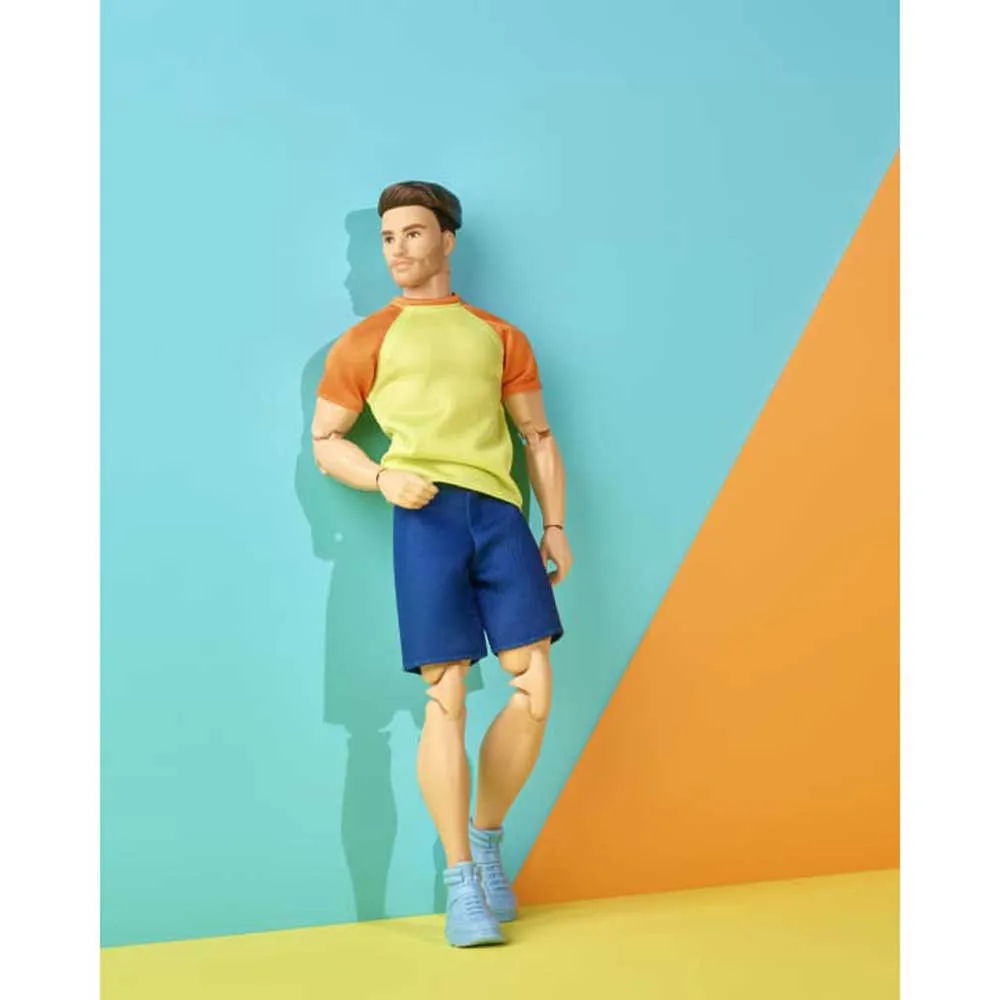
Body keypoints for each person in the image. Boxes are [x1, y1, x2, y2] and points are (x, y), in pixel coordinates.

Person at [311, 181, 572, 947]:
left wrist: (554, 524)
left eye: (414, 232)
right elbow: (325, 442)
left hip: (500, 516)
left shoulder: (499, 335)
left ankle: (485, 841)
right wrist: (382, 477)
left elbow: (538, 437)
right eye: (387, 237)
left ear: (447, 240)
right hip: (423, 519)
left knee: (534, 689)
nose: (398, 249)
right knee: (445, 696)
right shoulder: (365, 340)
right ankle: (460, 881)